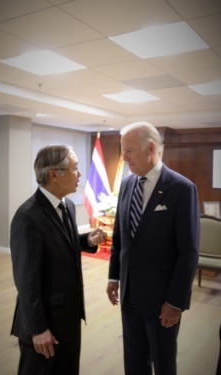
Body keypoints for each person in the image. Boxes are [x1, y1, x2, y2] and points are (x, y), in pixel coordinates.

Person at [106, 121, 200, 375]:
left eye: (129, 151)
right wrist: (114, 276)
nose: (124, 158)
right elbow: (120, 237)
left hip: (162, 302)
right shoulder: (127, 184)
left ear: (151, 148)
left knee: (163, 363)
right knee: (134, 362)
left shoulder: (182, 189)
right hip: (128, 295)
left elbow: (189, 252)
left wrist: (175, 302)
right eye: (122, 151)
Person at [10, 144, 106, 375]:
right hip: (44, 325)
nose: (80, 174)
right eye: (75, 168)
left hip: (69, 316)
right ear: (54, 174)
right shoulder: (27, 217)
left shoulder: (68, 206)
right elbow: (26, 281)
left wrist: (87, 241)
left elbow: (62, 243)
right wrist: (38, 328)